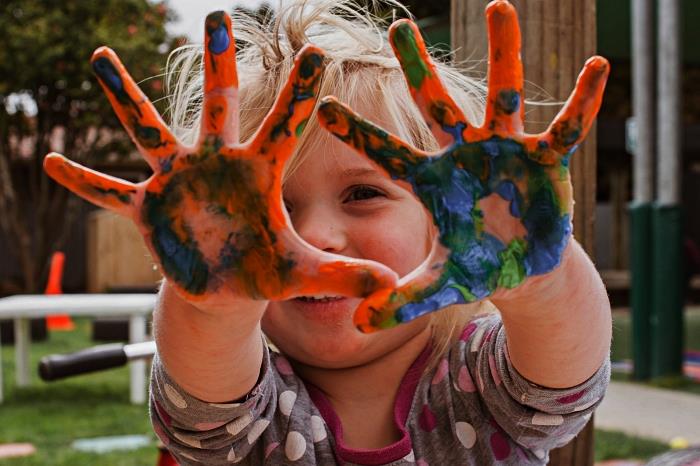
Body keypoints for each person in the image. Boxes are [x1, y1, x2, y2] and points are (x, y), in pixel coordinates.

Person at [43, 0, 612, 464]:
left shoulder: (482, 378)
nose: (316, 235)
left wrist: (541, 277)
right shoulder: (248, 406)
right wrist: (214, 306)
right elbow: (204, 377)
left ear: (446, 218)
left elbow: (565, 375)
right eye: (269, 212)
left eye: (363, 194)